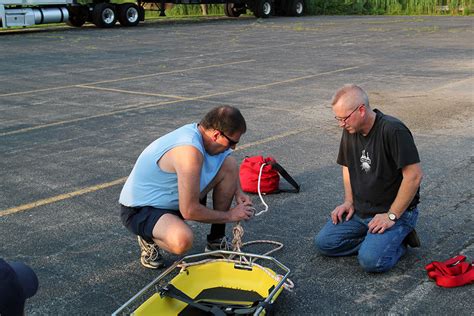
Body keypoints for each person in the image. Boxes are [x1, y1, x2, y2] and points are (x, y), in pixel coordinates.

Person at [120, 106, 254, 269]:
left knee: (229, 163)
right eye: (232, 142)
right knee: (182, 240)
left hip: (172, 198)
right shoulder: (188, 150)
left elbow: (229, 163)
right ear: (216, 134)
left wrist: (238, 192)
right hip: (143, 208)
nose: (233, 147)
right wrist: (230, 215)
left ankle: (216, 241)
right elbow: (189, 211)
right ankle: (148, 237)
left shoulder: (204, 135)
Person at [315, 84, 423, 273]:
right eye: (337, 119)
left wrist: (391, 216)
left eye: (344, 118)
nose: (341, 124)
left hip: (393, 213)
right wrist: (348, 201)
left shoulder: (393, 130)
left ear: (362, 110)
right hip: (361, 210)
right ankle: (376, 241)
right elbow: (347, 166)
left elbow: (414, 176)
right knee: (324, 243)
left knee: (371, 261)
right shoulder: (350, 130)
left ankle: (400, 240)